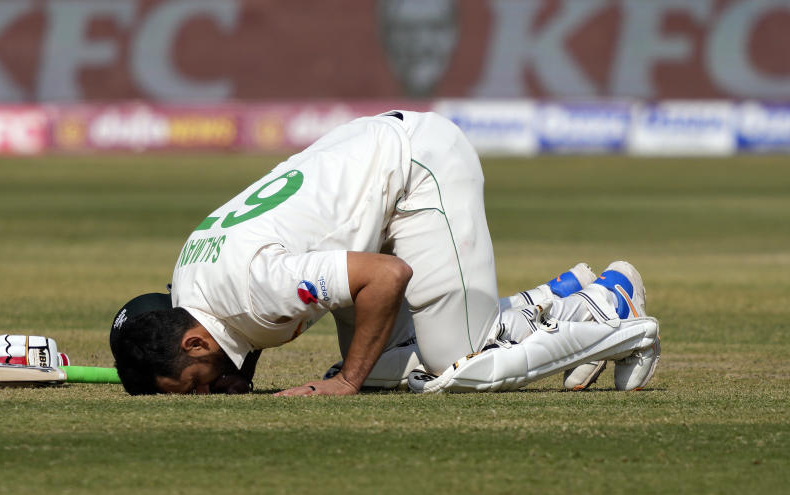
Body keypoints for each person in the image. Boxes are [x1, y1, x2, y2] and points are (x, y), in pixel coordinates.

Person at [110, 111, 659, 396]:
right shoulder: (188, 289)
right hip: (364, 177)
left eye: (197, 383)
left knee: (457, 368)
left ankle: (622, 319)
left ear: (194, 339)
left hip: (417, 168)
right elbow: (239, 321)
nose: (208, 393)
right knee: (387, 370)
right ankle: (564, 305)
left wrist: (344, 385)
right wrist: (242, 370)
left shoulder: (255, 292)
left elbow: (386, 276)